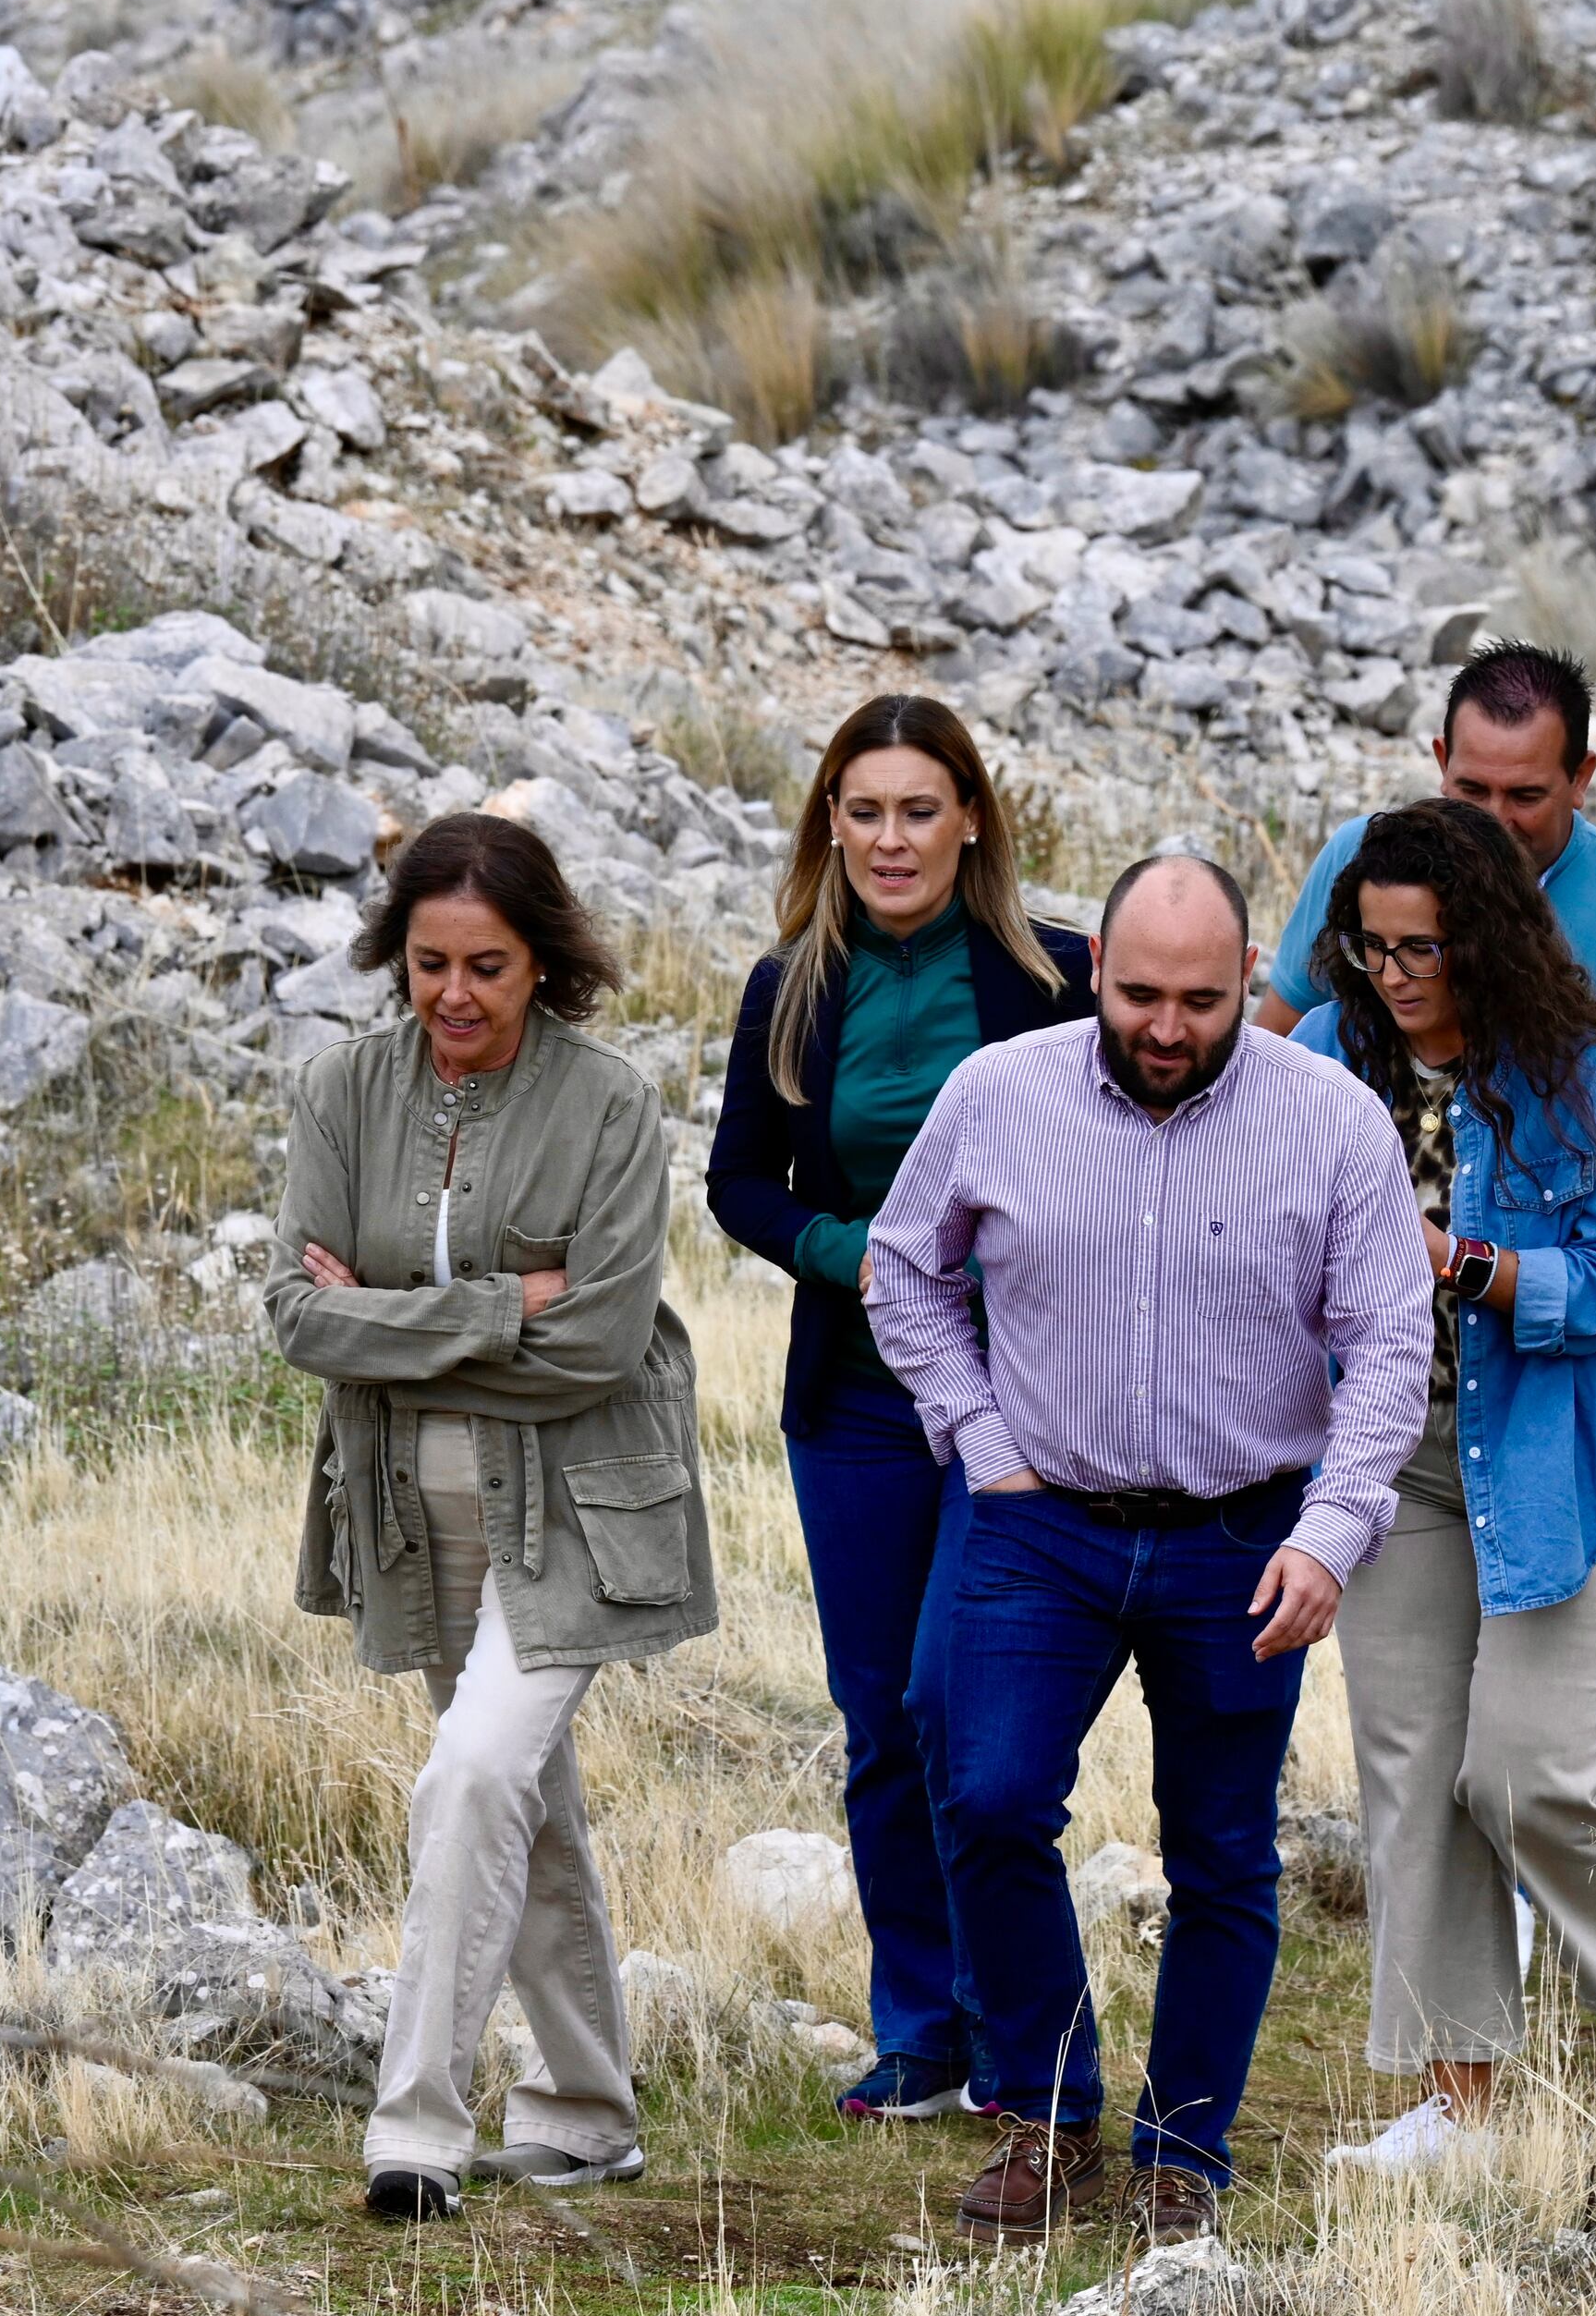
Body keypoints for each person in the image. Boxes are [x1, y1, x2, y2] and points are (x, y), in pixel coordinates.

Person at [864, 851, 1430, 2247]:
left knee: (1225, 1850)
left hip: (1245, 1535)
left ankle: (1185, 2150)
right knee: (985, 1796)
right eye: (1136, 995)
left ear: (1250, 979)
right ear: (1094, 973)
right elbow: (901, 1267)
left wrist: (1334, 1533)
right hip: (1038, 1522)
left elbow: (1390, 1339)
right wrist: (978, 1438)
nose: (1165, 1028)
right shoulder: (999, 1095)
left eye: (1198, 998)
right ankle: (1046, 2116)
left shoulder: (1336, 1122)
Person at [266, 811, 718, 2224]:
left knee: (470, 1778)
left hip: (577, 1516)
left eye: (489, 966)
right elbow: (295, 1315)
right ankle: (588, 2116)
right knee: (527, 1808)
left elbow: (599, 1344)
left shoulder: (608, 1108)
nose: (454, 996)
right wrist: (494, 1308)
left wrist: (384, 1316)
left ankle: (413, 2130)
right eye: (427, 963)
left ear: (545, 965)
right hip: (407, 1509)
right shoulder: (344, 1090)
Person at [1277, 799, 1596, 2174]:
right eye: (1373, 947)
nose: (1396, 975)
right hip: (1402, 1453)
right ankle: (1460, 2102)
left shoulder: (1590, 1073)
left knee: (1524, 1774)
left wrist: (1454, 1259)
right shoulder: (1330, 1056)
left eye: (1424, 949)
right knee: (1410, 1778)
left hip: (1583, 1454)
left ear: (1488, 941)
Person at [705, 695, 1095, 2127]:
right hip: (856, 1399)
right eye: (859, 811)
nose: (887, 838)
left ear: (971, 818)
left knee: (960, 1703)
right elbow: (739, 1179)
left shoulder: (1058, 976)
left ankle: (1019, 2034)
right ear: (829, 825)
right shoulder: (792, 987)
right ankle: (921, 2034)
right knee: (878, 1720)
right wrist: (843, 1252)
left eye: (917, 808)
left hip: (1020, 1396)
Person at [1256, 642, 1596, 1357]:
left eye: (1525, 796)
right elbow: (1273, 1066)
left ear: (1581, 778)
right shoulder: (1368, 865)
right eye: (1471, 790)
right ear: (1441, 758)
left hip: (1547, 1357)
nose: (1495, 820)